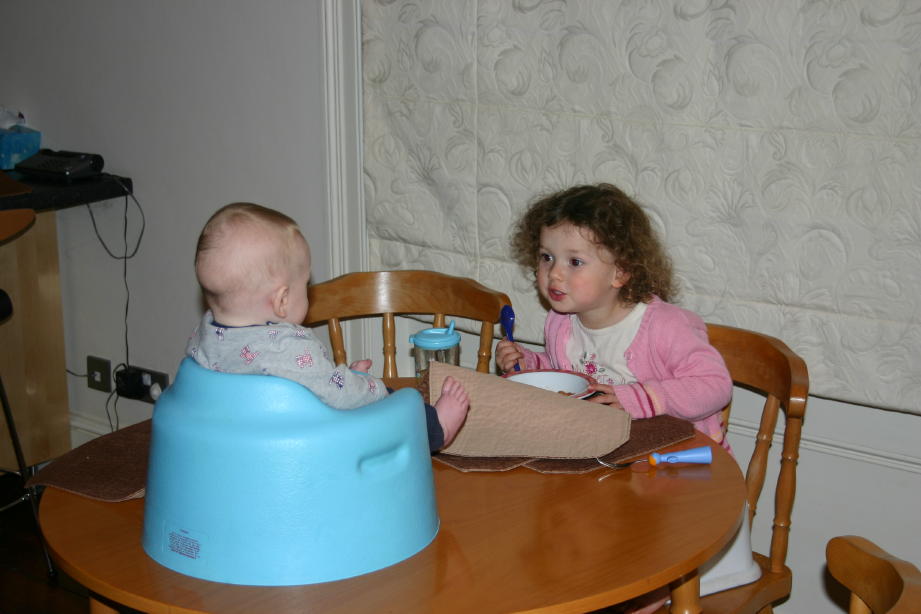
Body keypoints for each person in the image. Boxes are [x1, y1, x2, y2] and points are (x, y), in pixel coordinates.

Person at [497, 183, 737, 613]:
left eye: (574, 262)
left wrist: (641, 398)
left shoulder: (665, 326)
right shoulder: (562, 323)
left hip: (686, 464)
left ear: (620, 272)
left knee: (618, 526)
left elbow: (715, 384)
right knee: (549, 505)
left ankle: (636, 587)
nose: (554, 274)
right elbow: (570, 379)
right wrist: (529, 366)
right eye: (546, 256)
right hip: (616, 459)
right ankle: (591, 578)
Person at [186, 202, 469, 450]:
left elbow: (306, 383)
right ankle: (436, 427)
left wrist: (335, 376)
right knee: (393, 402)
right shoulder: (285, 347)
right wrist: (366, 385)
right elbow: (338, 396)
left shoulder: (205, 337)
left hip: (246, 441)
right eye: (304, 285)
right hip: (306, 446)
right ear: (282, 300)